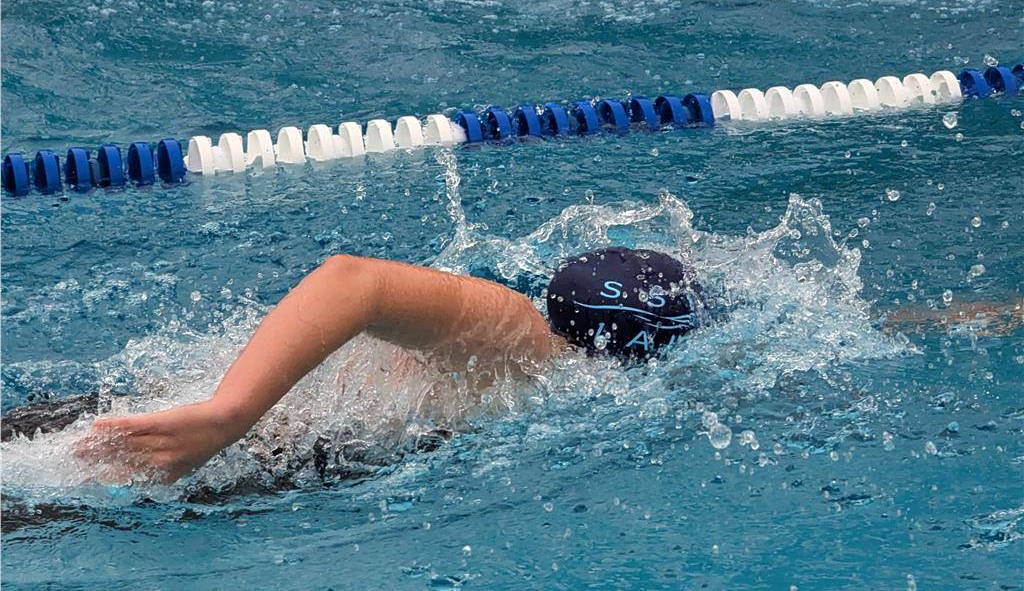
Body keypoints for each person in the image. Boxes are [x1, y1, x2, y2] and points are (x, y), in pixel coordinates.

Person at [70, 247, 710, 483]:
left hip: (197, 428)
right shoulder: (522, 336)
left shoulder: (545, 364)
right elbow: (353, 280)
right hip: (222, 448)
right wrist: (225, 417)